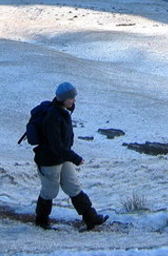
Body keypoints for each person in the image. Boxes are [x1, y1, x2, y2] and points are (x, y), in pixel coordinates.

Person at [33, 82, 108, 230]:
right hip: (49, 160)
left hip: (62, 157)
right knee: (50, 192)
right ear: (63, 99)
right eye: (71, 98)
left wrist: (69, 156)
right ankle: (41, 221)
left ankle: (91, 218)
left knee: (73, 186)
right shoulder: (52, 116)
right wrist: (74, 157)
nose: (73, 100)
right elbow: (55, 145)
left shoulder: (62, 111)